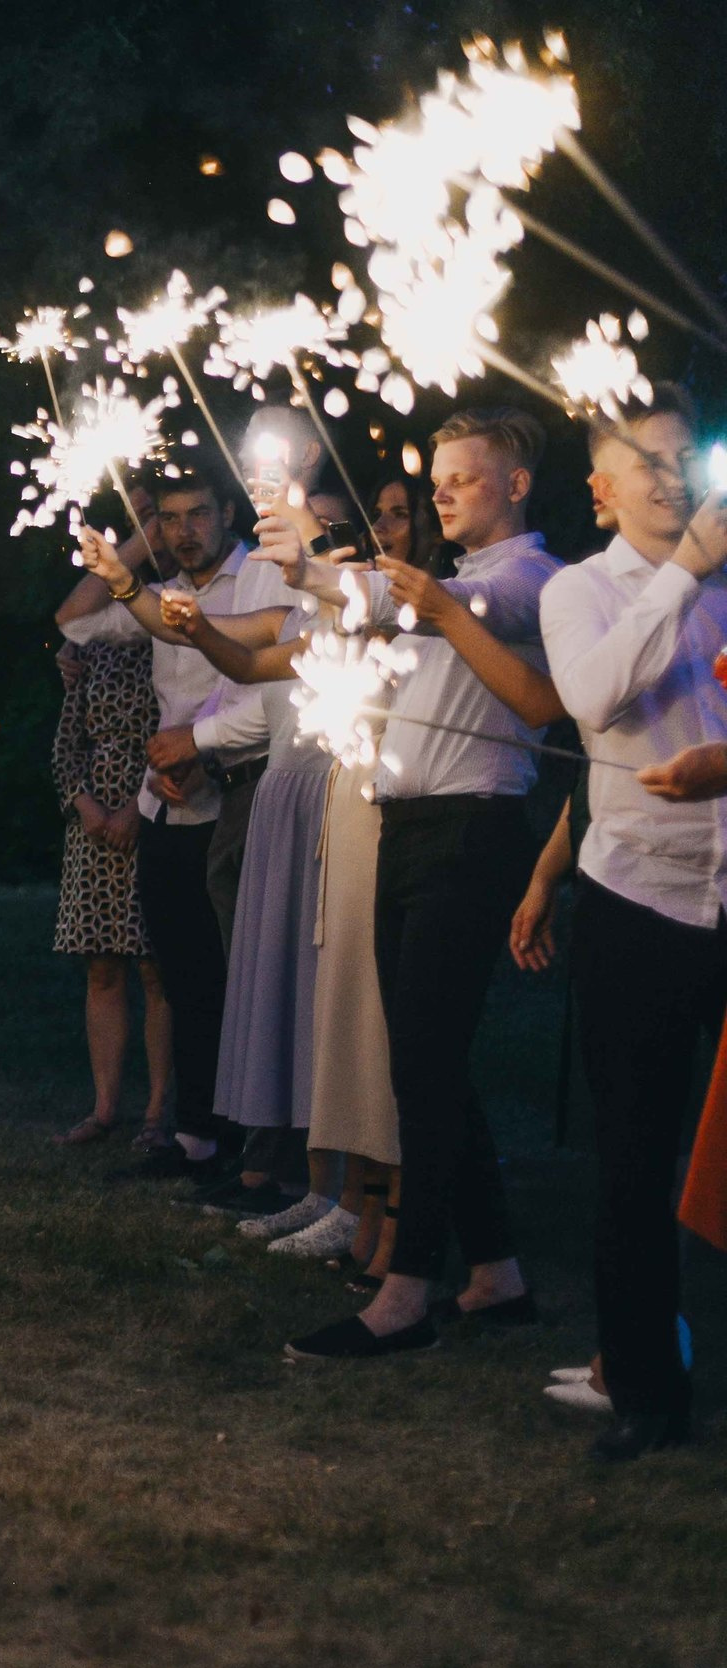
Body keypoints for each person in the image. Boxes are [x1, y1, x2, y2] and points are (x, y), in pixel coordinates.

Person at [284, 407, 565, 1359]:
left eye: (462, 477)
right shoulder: (457, 580)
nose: (440, 491)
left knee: (425, 1064)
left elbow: (441, 608)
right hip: (410, 830)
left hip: (470, 834)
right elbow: (381, 599)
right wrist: (308, 570)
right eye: (436, 476)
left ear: (516, 485)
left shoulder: (532, 577)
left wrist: (350, 581)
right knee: (427, 1058)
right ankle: (496, 1273)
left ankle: (407, 1288)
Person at [536, 386, 727, 1459]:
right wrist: (683, 571)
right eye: (641, 463)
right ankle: (647, 1391)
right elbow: (594, 699)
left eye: (679, 457)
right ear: (602, 489)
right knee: (635, 1156)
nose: (667, 477)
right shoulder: (581, 590)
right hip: (638, 900)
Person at [56, 463, 298, 1184]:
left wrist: (206, 754)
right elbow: (73, 619)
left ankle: (247, 1143)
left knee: (235, 976)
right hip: (163, 804)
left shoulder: (257, 580)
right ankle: (194, 1136)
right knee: (184, 973)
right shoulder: (155, 595)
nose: (183, 531)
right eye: (169, 518)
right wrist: (130, 540)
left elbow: (263, 678)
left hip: (233, 796)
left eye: (197, 514)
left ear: (229, 512)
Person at [47, 592, 173, 1151]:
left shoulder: (172, 643)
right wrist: (85, 804)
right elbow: (66, 740)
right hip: (93, 827)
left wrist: (136, 810)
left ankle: (157, 1110)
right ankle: (104, 1107)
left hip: (156, 803)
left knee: (155, 968)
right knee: (103, 969)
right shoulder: (90, 648)